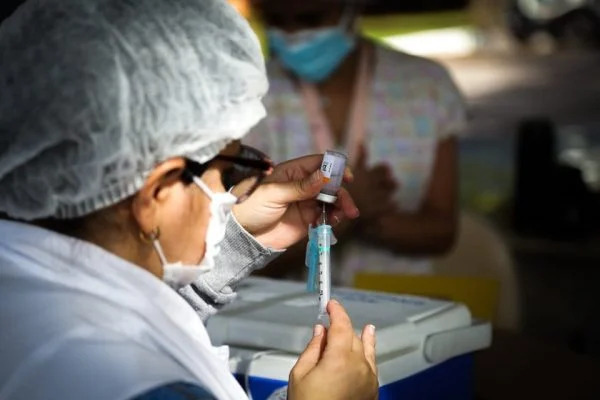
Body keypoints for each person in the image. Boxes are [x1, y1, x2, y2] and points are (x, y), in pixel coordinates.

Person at [0, 1, 378, 399]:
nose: (228, 193)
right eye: (229, 170)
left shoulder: (25, 283)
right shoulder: (130, 379)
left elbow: (137, 310)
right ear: (158, 193)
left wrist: (231, 242)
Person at [245, 0, 467, 284]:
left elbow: (442, 231)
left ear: (352, 7)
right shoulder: (248, 97)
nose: (292, 33)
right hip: (283, 314)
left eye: (311, 18)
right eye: (274, 20)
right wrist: (351, 211)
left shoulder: (426, 86)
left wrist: (344, 214)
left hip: (399, 304)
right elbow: (241, 256)